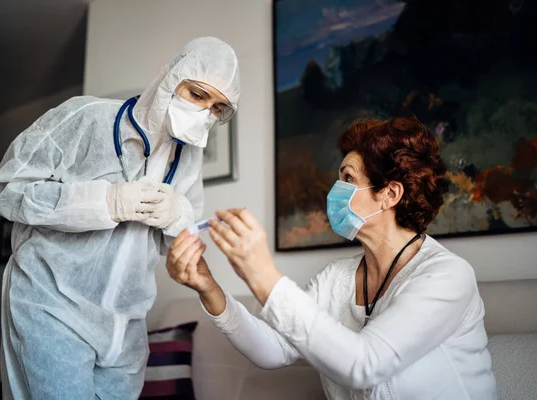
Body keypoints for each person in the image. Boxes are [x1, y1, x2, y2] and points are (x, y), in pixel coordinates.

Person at [166, 117, 498, 399]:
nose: (334, 189)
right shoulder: (337, 278)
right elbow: (273, 350)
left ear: (390, 194)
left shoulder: (448, 276)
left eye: (348, 178)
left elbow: (365, 364)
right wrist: (207, 287)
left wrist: (262, 273)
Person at [0, 36, 240, 399]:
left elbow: (182, 236)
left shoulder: (190, 158)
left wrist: (175, 215)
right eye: (197, 95)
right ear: (169, 76)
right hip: (53, 307)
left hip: (126, 328)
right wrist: (105, 201)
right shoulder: (85, 119)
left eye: (217, 108)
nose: (205, 112)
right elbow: (6, 190)